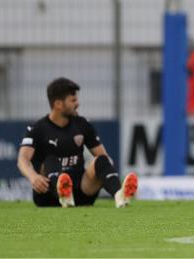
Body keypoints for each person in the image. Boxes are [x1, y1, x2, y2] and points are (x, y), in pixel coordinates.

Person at [17, 78, 138, 208]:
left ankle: (120, 195)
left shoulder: (82, 125)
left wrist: (105, 172)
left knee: (102, 159)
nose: (77, 104)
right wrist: (33, 177)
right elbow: (22, 160)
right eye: (73, 101)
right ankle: (63, 196)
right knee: (50, 161)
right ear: (58, 104)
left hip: (81, 192)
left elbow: (105, 158)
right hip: (49, 196)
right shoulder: (37, 128)